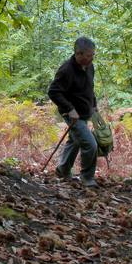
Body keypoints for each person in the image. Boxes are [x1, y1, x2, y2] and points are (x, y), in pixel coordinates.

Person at [47, 36, 98, 187]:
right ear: (78, 54)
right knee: (90, 144)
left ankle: (62, 170)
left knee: (75, 140)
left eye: (92, 55)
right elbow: (53, 92)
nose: (91, 58)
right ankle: (87, 177)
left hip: (85, 112)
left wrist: (94, 105)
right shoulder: (66, 70)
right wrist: (70, 110)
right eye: (89, 55)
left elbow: (90, 88)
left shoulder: (90, 67)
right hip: (72, 114)